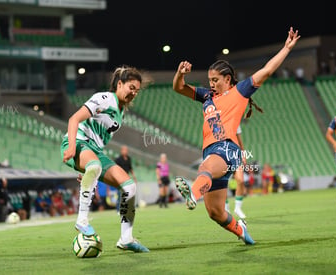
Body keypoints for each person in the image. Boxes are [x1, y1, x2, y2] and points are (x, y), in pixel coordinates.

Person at [172, 27, 300, 246]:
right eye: (209, 80)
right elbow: (179, 88)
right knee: (215, 213)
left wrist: (286, 48)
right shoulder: (207, 97)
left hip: (227, 149)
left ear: (227, 78)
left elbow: (267, 70)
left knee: (204, 169)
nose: (211, 84)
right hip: (212, 151)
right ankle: (241, 229)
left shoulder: (240, 91)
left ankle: (192, 193)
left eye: (215, 80)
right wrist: (180, 73)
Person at [61, 65, 150, 252]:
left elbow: (99, 141)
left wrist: (86, 169)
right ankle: (82, 220)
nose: (134, 93)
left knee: (129, 186)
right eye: (131, 88)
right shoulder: (104, 98)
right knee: (94, 166)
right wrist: (71, 147)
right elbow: (73, 120)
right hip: (78, 142)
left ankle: (126, 239)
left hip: (95, 151)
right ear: (120, 84)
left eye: (137, 91)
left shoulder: (120, 112)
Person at [225, 125, 248, 219]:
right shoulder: (216, 120)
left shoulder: (235, 122)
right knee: (223, 183)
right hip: (221, 153)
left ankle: (237, 208)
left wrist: (244, 155)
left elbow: (240, 141)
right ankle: (226, 209)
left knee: (241, 180)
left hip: (235, 154)